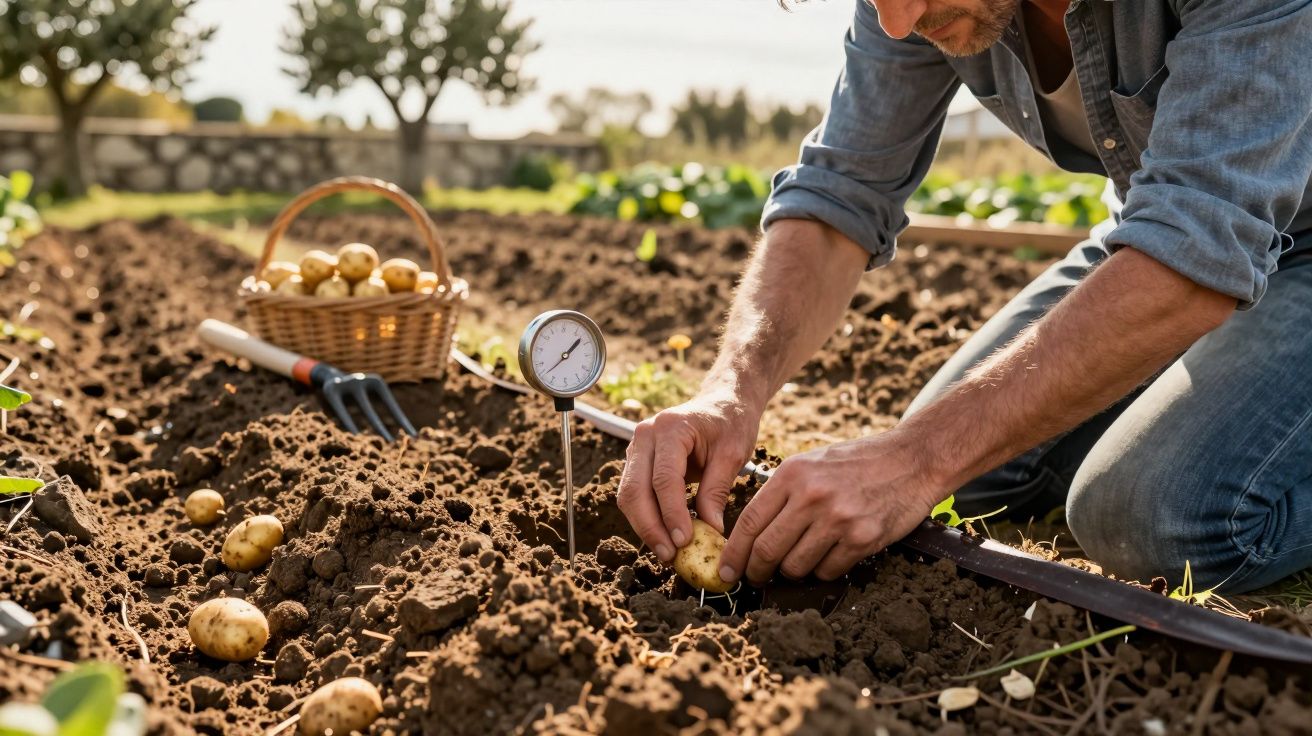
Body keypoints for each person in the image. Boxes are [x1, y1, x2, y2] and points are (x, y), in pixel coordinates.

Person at [616, 0, 1312, 594]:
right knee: (964, 481)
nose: (895, 22)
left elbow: (1198, 248)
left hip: (1251, 243)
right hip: (1157, 239)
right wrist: (732, 391)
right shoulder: (909, 8)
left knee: (1146, 514)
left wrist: (912, 460)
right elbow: (840, 194)